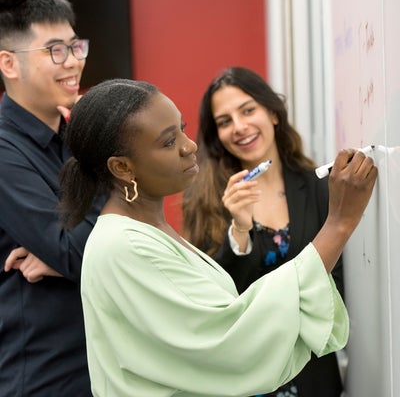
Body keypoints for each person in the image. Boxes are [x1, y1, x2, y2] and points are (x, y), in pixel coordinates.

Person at [58, 78, 376, 397]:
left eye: (182, 129)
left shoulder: (144, 230)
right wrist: (339, 224)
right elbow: (234, 342)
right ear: (123, 168)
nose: (189, 146)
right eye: (169, 142)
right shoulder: (125, 246)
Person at [182, 66, 345, 397]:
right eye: (225, 121)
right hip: (246, 378)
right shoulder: (207, 202)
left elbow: (336, 284)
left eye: (247, 110)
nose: (239, 127)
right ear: (217, 136)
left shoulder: (318, 187)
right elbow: (215, 303)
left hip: (312, 370)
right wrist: (239, 230)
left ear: (272, 112)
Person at [0, 0, 103, 395]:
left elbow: (129, 235)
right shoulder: (6, 151)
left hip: (98, 364)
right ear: (10, 64)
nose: (74, 61)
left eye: (76, 47)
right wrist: (69, 253)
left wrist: (65, 254)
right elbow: (76, 252)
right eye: (55, 50)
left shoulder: (73, 138)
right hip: (44, 376)